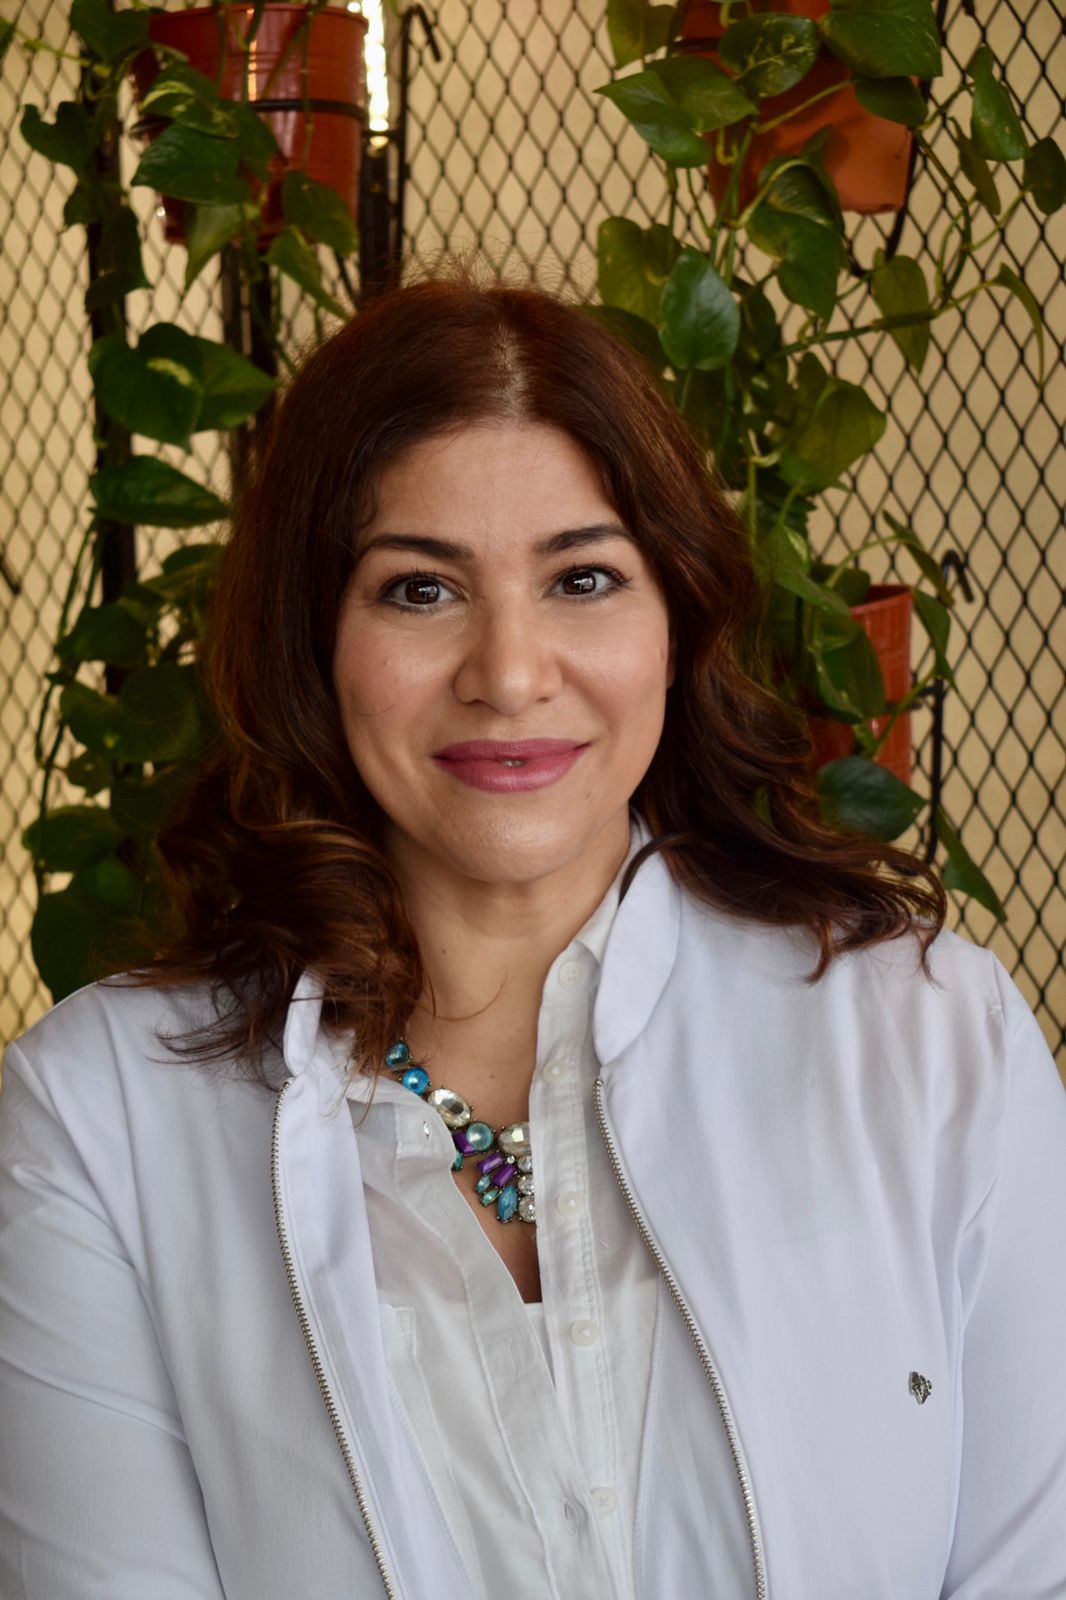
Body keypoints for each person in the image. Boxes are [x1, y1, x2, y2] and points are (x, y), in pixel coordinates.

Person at [1, 272, 1064, 1600]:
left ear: (674, 621)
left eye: (582, 578)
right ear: (310, 637)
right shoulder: (101, 1115)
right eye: (417, 590)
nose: (509, 675)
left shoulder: (931, 1039)